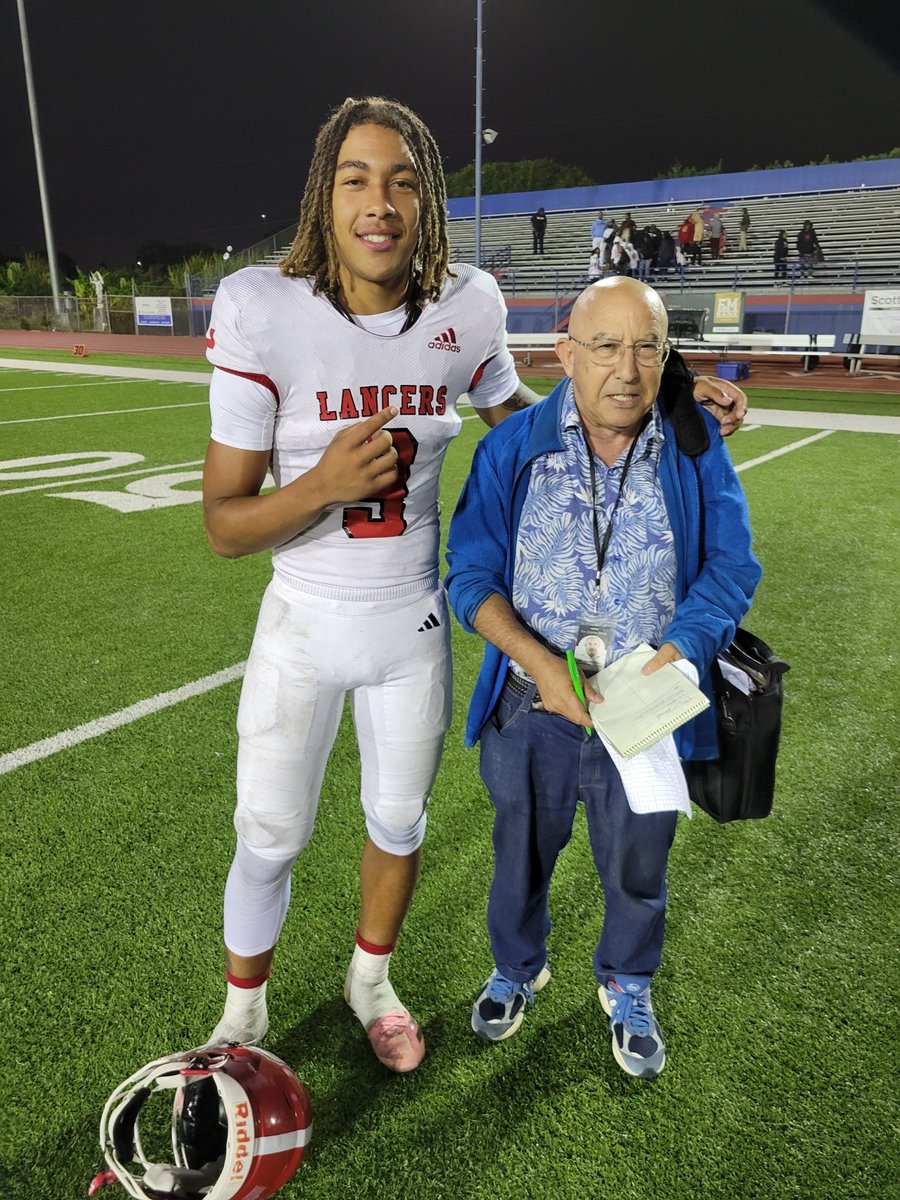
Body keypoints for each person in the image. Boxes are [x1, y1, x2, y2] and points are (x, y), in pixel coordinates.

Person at [201, 96, 748, 1076]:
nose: (380, 202)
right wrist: (321, 486)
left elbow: (532, 420)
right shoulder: (262, 305)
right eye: (357, 179)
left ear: (429, 201)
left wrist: (662, 390)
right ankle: (243, 1011)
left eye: (403, 181)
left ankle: (372, 983)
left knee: (399, 821)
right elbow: (223, 525)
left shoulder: (467, 304)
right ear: (325, 194)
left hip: (408, 624)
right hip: (303, 619)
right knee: (271, 831)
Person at [445, 276, 760, 1079]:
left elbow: (732, 567)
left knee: (637, 866)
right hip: (532, 701)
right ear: (566, 354)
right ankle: (518, 968)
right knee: (518, 855)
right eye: (606, 346)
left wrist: (682, 648)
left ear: (667, 354)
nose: (627, 368)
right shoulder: (511, 447)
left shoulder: (693, 443)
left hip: (646, 704)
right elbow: (470, 575)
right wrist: (540, 665)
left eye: (646, 347)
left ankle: (627, 981)